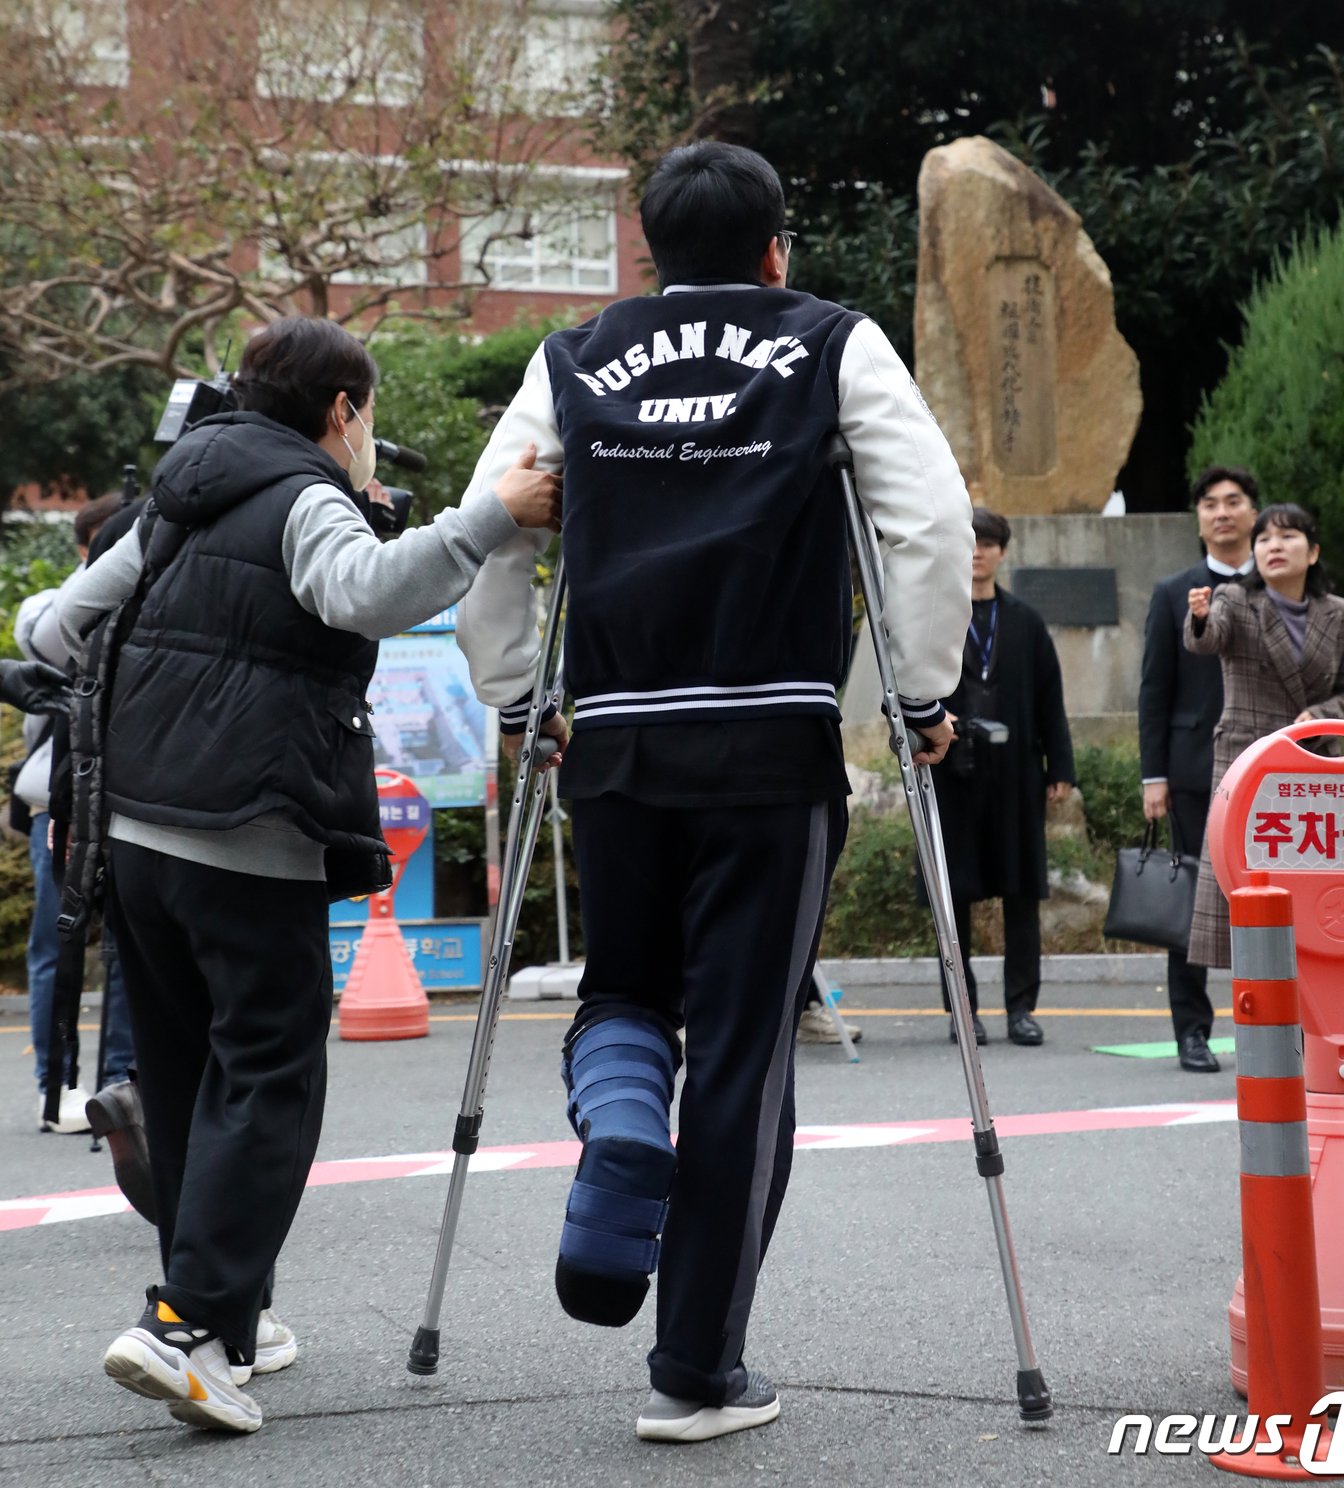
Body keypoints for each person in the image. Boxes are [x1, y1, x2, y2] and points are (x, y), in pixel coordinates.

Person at [457, 140, 972, 1444]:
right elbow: (925, 521)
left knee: (627, 989)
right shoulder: (830, 341)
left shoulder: (572, 357)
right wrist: (917, 695)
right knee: (744, 1049)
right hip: (769, 749)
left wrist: (519, 697)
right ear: (774, 250)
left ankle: (623, 1122)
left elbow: (493, 522)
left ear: (645, 253)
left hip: (619, 745)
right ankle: (695, 1367)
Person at [55, 315, 561, 1435]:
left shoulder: (178, 498)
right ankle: (185, 1324)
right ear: (342, 411)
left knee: (188, 1080)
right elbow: (367, 595)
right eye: (366, 413)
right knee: (272, 1077)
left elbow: (58, 622)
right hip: (250, 831)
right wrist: (489, 517)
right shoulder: (306, 496)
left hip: (138, 834)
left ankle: (233, 1323)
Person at [1183, 502, 1344, 967]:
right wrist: (1201, 616)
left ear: (1313, 552)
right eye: (1264, 539)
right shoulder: (1235, 599)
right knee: (1249, 890)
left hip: (1316, 768)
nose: (1274, 547)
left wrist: (1320, 714)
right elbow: (1208, 639)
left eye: (1287, 537)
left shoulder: (1339, 612)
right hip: (1247, 765)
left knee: (1313, 892)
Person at [930, 508, 1075, 1048]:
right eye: (970, 542)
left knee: (1020, 892)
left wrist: (1060, 766)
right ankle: (961, 1010)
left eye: (988, 543)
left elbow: (1049, 699)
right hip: (951, 770)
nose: (978, 553)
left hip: (1016, 773)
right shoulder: (939, 615)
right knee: (956, 897)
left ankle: (1021, 1009)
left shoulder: (1026, 622)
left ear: (1002, 553)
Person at [14, 493, 133, 1131]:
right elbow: (44, 640)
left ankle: (117, 1080)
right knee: (54, 945)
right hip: (55, 802)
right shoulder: (51, 606)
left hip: (118, 799)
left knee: (123, 947)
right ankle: (53, 1084)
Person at [1138, 465, 1258, 1072]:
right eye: (1210, 503)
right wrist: (1151, 776)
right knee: (1190, 903)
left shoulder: (1279, 587)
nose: (1221, 512)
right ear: (1199, 519)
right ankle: (1192, 1030)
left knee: (1272, 903)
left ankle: (1277, 1023)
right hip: (1191, 771)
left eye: (1233, 502)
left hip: (1270, 773)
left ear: (1254, 514)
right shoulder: (1172, 591)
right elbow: (1154, 689)